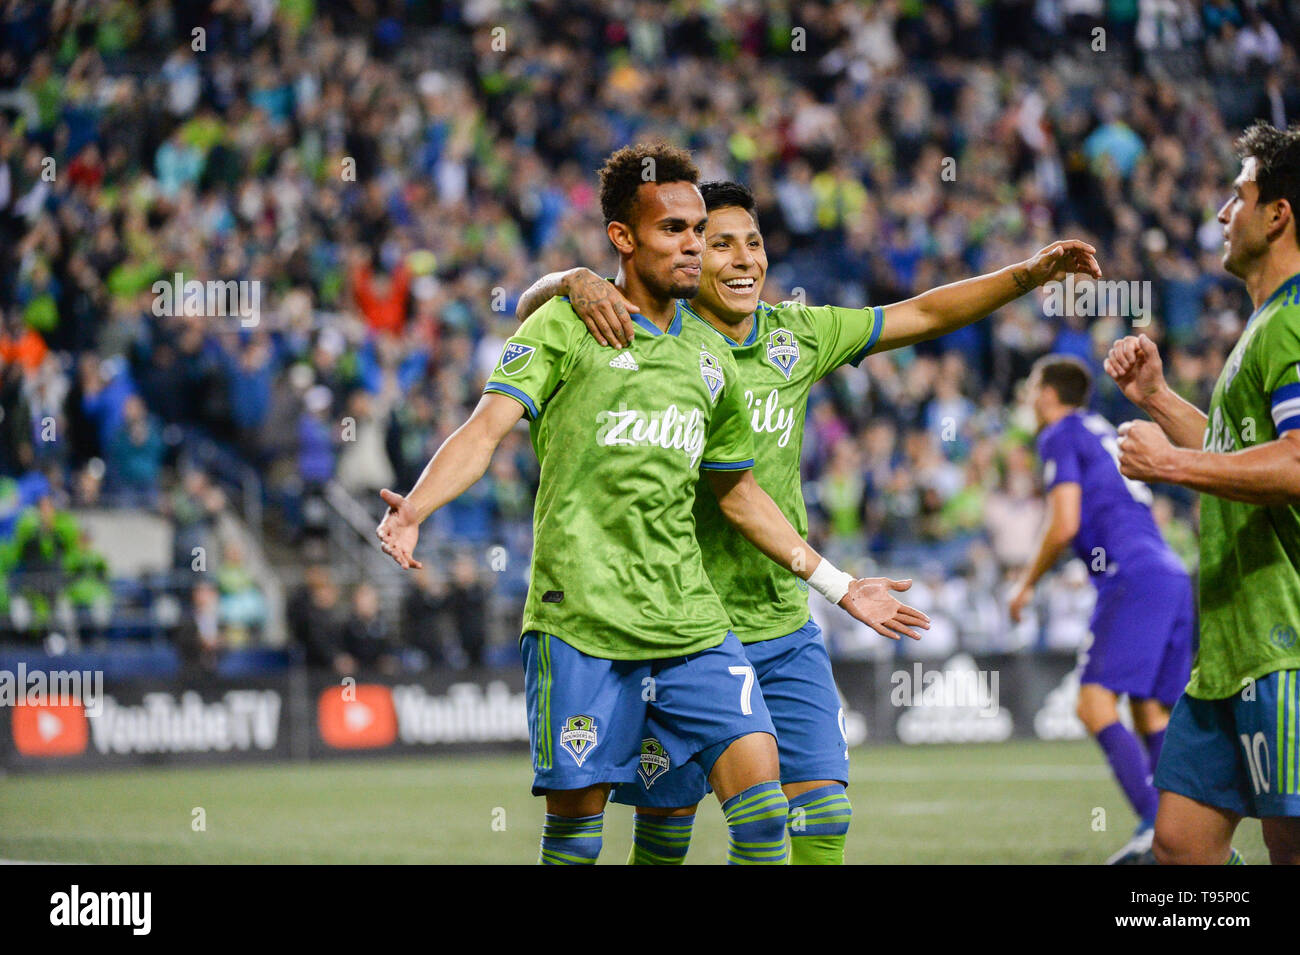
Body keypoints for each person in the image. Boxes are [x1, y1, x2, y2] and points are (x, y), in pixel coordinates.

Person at [376, 144, 929, 865]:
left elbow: (738, 492)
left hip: (692, 620)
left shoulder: (711, 361)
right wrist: (416, 505)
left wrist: (838, 584)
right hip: (582, 617)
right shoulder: (568, 326)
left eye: (700, 229)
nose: (695, 245)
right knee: (576, 843)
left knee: (766, 816)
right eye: (675, 229)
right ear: (623, 238)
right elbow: (485, 429)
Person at [517, 180, 1099, 863]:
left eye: (754, 244)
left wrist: (1027, 274)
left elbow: (923, 314)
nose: (742, 260)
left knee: (820, 812)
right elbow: (535, 314)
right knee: (666, 830)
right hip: (684, 624)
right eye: (720, 243)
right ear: (690, 254)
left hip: (782, 621)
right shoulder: (658, 338)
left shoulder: (799, 334)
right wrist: (570, 278)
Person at [1107, 122, 1300, 865]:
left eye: (1238, 196)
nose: (1222, 213)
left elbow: (1294, 461)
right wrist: (1158, 398)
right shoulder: (1263, 326)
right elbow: (1237, 451)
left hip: (1285, 644)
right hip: (1229, 650)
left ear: (1278, 213)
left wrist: (1171, 469)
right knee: (1181, 851)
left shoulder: (1292, 323)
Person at [1010, 355, 1192, 864]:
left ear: (1048, 393)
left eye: (1031, 386)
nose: (1028, 398)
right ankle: (1177, 833)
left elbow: (1065, 522)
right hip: (1170, 573)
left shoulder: (1060, 432)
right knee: (1151, 708)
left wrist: (1024, 585)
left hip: (1130, 576)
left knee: (1093, 704)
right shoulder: (1100, 429)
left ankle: (1157, 832)